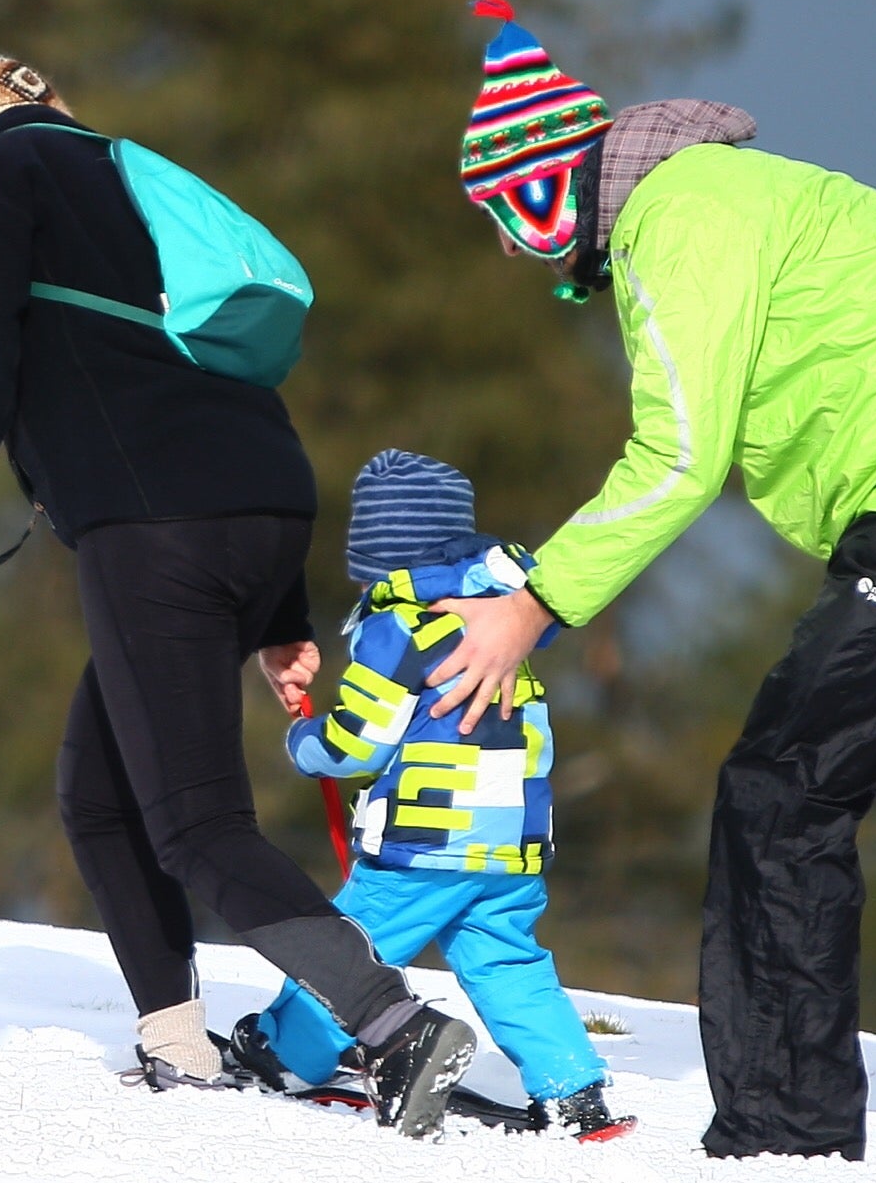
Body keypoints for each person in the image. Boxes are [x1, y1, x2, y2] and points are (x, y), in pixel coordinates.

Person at [419, 5, 876, 1180]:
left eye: (502, 220)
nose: (510, 252)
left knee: (780, 789)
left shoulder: (675, 218)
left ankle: (786, 1128)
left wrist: (532, 603)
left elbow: (676, 456)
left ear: (545, 186)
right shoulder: (733, 190)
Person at [0, 49, 480, 1137]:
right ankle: (174, 1037)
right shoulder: (131, 175)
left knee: (196, 823)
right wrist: (277, 617)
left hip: (154, 523)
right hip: (260, 500)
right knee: (102, 789)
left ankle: (388, 1023)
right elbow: (208, 362)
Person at [226, 450, 636, 1141]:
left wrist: (304, 744)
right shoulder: (504, 617)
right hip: (511, 840)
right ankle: (573, 1090)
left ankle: (282, 1050)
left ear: (378, 551)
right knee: (506, 959)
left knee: (350, 946)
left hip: (426, 842)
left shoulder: (396, 627)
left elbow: (358, 741)